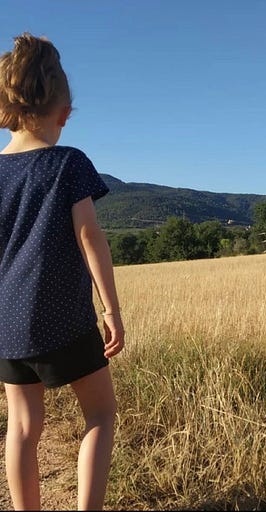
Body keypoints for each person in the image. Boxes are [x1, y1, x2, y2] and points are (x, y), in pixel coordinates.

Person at [0, 32, 124, 510]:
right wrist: (111, 310)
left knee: (23, 427)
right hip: (65, 323)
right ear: (63, 113)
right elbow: (90, 237)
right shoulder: (68, 164)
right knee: (100, 413)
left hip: (7, 326)